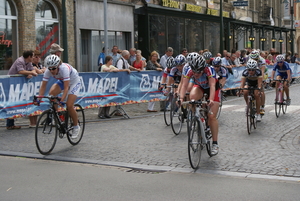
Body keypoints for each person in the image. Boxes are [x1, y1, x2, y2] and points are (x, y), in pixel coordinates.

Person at [35, 55, 81, 139]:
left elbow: (66, 87)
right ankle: (59, 116)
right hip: (62, 81)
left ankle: (76, 127)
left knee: (69, 105)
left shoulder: (64, 69)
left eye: (54, 68)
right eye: (50, 68)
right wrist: (39, 99)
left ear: (58, 66)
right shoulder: (48, 71)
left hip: (74, 82)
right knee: (51, 94)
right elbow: (43, 86)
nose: (52, 71)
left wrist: (62, 100)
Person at [188, 55, 220, 155]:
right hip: (200, 87)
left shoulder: (209, 70)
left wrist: (210, 99)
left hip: (213, 88)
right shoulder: (189, 70)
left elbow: (212, 85)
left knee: (211, 116)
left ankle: (215, 144)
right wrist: (180, 97)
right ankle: (197, 118)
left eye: (198, 71)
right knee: (192, 99)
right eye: (194, 71)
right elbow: (185, 85)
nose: (196, 73)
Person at [7, 50, 38, 130]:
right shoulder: (20, 61)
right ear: (29, 57)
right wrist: (29, 73)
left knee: (16, 102)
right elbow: (20, 71)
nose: (34, 57)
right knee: (12, 102)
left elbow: (32, 69)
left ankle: (11, 124)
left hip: (18, 84)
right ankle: (9, 124)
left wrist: (31, 72)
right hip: (11, 83)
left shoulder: (29, 62)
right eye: (33, 56)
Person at [248, 50, 267, 115]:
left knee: (261, 91)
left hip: (262, 72)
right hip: (253, 73)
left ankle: (262, 106)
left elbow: (262, 71)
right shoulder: (249, 59)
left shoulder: (262, 60)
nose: (254, 60)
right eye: (253, 59)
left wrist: (262, 80)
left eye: (256, 59)